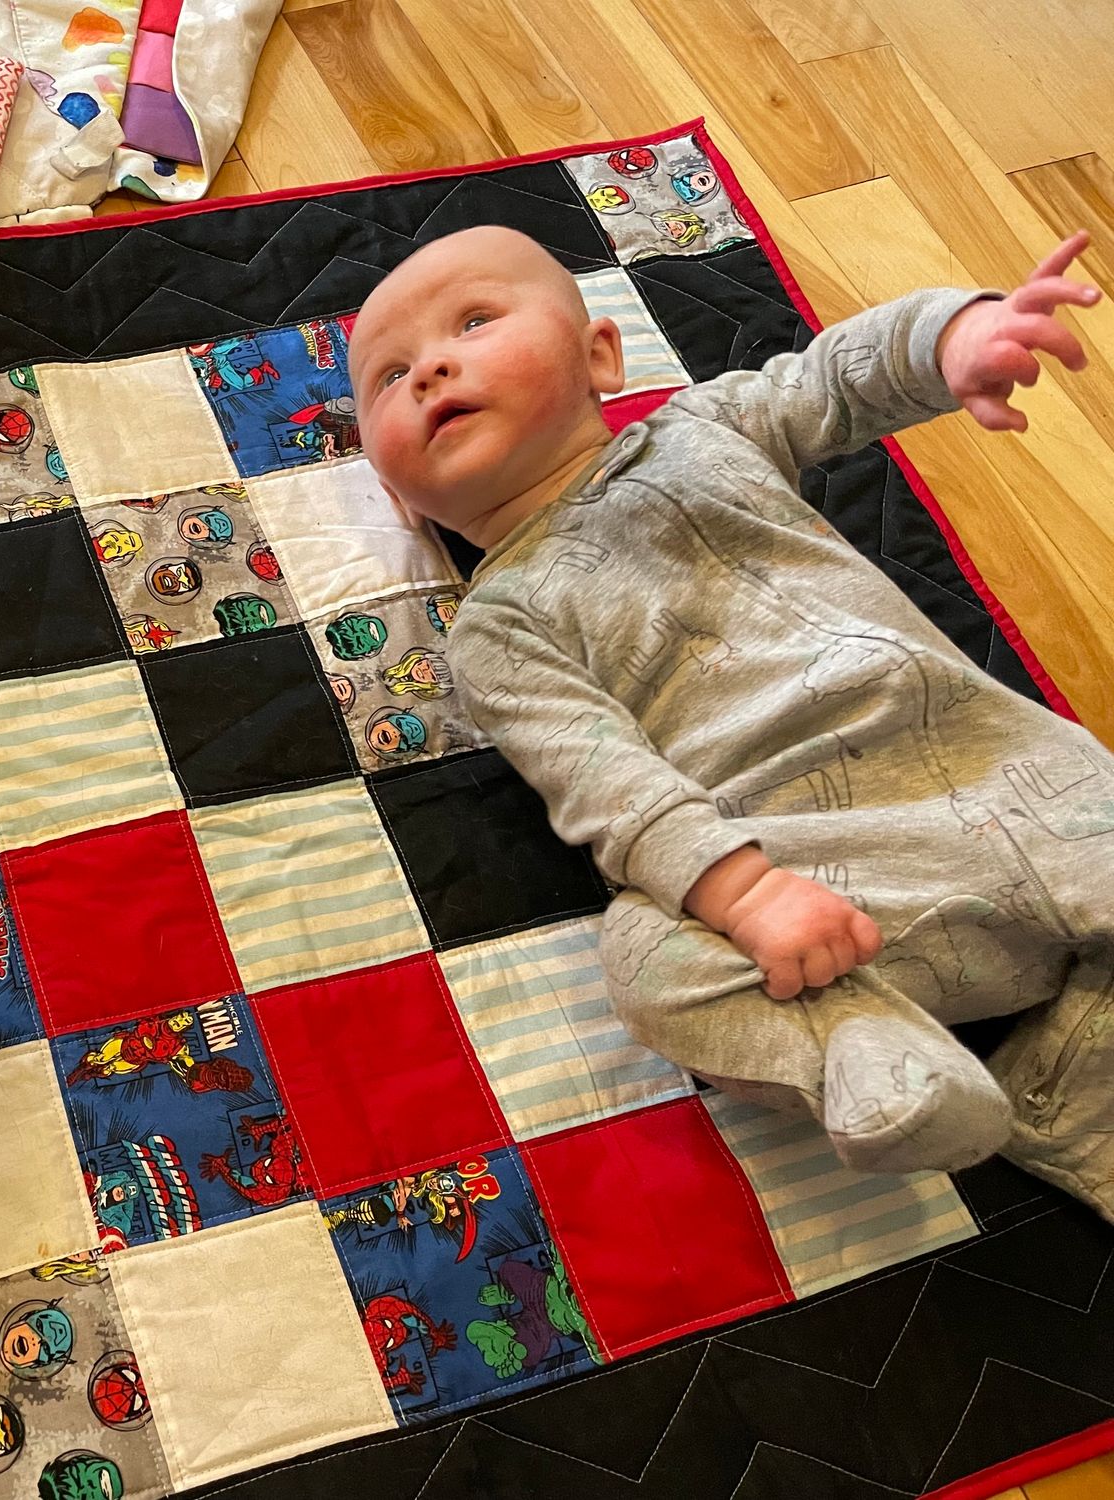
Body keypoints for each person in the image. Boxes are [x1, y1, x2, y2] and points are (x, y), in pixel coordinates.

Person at [349, 223, 1112, 1217]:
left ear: (599, 357)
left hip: (1027, 789)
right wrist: (748, 899)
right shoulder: (498, 627)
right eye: (389, 374)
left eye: (475, 320)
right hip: (833, 894)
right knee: (641, 959)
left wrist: (950, 337)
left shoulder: (703, 429)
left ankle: (1065, 1089)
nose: (430, 367)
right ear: (396, 495)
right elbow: (611, 789)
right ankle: (867, 1053)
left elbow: (835, 378)